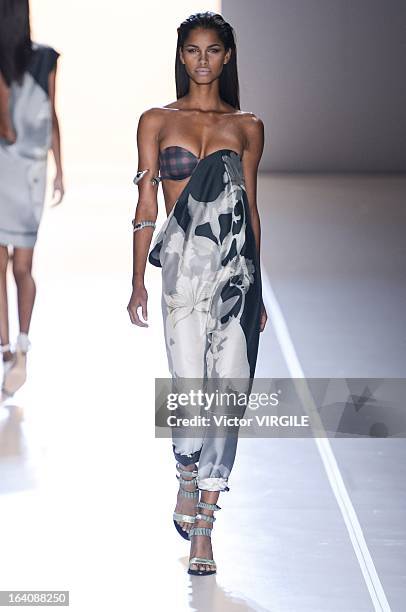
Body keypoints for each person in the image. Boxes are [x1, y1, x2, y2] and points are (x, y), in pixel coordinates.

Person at [127, 11, 268, 576]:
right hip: (182, 274)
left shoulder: (249, 126)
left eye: (213, 50)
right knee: (188, 390)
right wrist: (137, 277)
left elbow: (252, 209)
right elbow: (145, 207)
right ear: (181, 55)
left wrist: (260, 287)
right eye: (193, 50)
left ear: (227, 57)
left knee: (227, 395)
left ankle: (204, 530)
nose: (203, 60)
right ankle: (186, 471)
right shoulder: (156, 121)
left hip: (236, 273)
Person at [0, 0, 64, 399]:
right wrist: (60, 167)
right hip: (29, 174)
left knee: (5, 264)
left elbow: (7, 129)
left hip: (10, 167)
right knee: (21, 266)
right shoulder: (45, 59)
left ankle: (9, 350)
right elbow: (50, 114)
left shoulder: (30, 61)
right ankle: (17, 346)